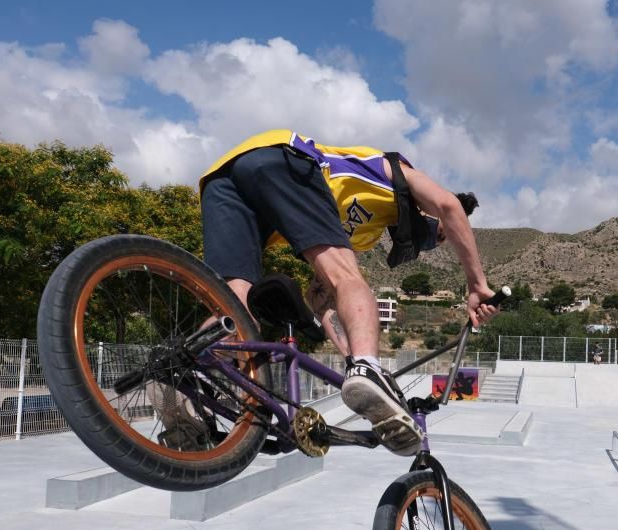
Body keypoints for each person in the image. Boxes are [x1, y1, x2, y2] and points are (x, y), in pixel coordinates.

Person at [198, 129, 498, 455]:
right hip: (284, 157)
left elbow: (321, 299)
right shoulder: (393, 173)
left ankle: (182, 380)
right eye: (440, 236)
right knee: (349, 277)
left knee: (235, 306)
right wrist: (477, 285)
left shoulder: (365, 237)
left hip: (224, 180)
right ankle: (369, 366)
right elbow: (449, 205)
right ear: (425, 211)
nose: (433, 242)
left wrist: (350, 358)